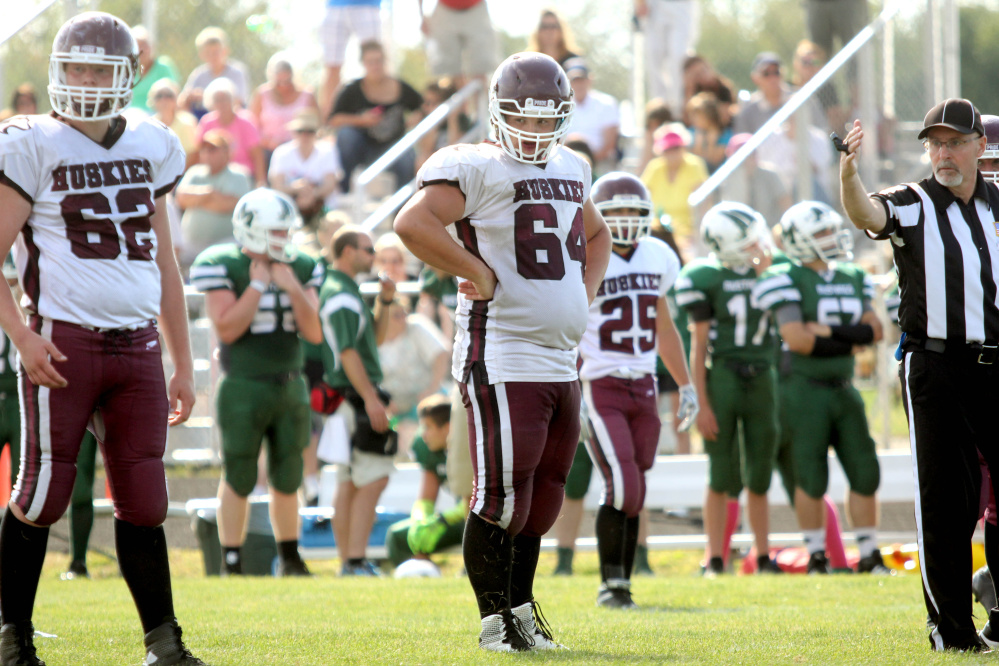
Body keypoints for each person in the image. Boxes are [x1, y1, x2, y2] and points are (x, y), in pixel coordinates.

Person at [0, 11, 204, 665]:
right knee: (41, 496)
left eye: (98, 68)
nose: (85, 80)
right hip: (64, 343)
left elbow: (165, 265)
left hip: (138, 344)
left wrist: (184, 362)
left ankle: (165, 644)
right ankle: (12, 641)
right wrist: (23, 339)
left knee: (145, 500)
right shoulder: (31, 142)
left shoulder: (151, 140)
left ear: (129, 77)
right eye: (76, 67)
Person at [394, 51, 612, 651]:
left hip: (559, 355)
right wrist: (475, 272)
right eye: (527, 117)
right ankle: (495, 624)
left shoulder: (572, 165)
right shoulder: (475, 165)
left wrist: (581, 295)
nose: (538, 130)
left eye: (549, 120)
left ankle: (521, 611)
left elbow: (597, 235)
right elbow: (412, 224)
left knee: (544, 494)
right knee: (501, 494)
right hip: (503, 350)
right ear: (498, 110)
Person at [838, 98, 999, 652]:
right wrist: (849, 174)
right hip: (938, 364)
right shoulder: (914, 202)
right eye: (935, 143)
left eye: (954, 142)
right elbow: (866, 215)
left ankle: (997, 611)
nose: (943, 153)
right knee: (946, 502)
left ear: (981, 147)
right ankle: (950, 630)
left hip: (995, 363)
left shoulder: (998, 204)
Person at [576, 172, 697, 606]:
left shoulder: (658, 254)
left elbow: (663, 324)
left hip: (643, 384)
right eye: (616, 211)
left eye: (633, 210)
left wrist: (685, 384)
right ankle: (611, 585)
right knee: (623, 484)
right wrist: (570, 390)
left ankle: (621, 582)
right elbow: (567, 327)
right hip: (599, 383)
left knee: (637, 482)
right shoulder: (584, 255)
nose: (625, 219)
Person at [190, 188, 322, 577]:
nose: (284, 239)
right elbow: (227, 329)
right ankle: (231, 560)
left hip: (290, 382)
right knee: (240, 472)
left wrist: (291, 286)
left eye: (286, 231)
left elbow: (314, 333)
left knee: (289, 473)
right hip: (243, 384)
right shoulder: (221, 263)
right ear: (251, 230)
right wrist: (259, 285)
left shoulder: (302, 266)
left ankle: (291, 557)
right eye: (276, 231)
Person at [752, 201, 887, 576]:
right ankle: (816, 555)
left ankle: (869, 554)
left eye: (831, 231)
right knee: (810, 474)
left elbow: (874, 331)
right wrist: (849, 337)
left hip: (844, 386)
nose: (832, 238)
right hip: (802, 389)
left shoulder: (850, 274)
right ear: (798, 241)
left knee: (864, 469)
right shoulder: (784, 276)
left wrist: (825, 331)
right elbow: (797, 339)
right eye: (822, 234)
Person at [674, 202, 780, 576]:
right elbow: (698, 344)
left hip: (763, 375)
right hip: (723, 376)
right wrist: (701, 402)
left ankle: (763, 555)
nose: (757, 247)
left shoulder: (773, 272)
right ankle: (715, 558)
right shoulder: (705, 276)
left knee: (760, 470)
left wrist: (767, 277)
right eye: (748, 241)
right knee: (721, 471)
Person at [319, 225, 397, 576]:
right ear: (347, 252)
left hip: (347, 399)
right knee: (373, 478)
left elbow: (373, 342)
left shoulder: (347, 290)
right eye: (367, 250)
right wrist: (370, 399)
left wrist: (385, 301)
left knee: (350, 480)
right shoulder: (340, 293)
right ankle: (353, 560)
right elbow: (348, 353)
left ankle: (349, 561)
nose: (373, 257)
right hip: (353, 398)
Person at [328, 40, 423, 192]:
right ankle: (344, 189)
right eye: (370, 62)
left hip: (392, 147)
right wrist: (361, 120)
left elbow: (423, 105)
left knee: (408, 157)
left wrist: (416, 117)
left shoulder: (400, 87)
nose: (375, 66)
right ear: (363, 63)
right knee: (346, 135)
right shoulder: (352, 90)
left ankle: (402, 210)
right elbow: (333, 119)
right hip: (362, 148)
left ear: (385, 61)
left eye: (378, 61)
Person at [385, 394, 467, 567]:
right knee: (398, 536)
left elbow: (481, 497)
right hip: (457, 520)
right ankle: (422, 574)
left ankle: (474, 571)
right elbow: (426, 499)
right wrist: (421, 521)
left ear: (448, 428)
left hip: (481, 519)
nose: (423, 435)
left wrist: (444, 519)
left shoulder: (468, 444)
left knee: (473, 526)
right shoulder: (428, 449)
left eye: (428, 427)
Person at [174, 129, 253, 268]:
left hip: (224, 245)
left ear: (227, 152)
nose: (207, 153)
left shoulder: (239, 174)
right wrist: (210, 193)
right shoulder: (194, 172)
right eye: (204, 149)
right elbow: (180, 200)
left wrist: (196, 201)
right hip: (191, 245)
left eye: (213, 149)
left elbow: (228, 205)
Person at [640, 126, 708, 258]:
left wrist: (696, 234)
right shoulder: (654, 167)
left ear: (683, 147)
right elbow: (642, 198)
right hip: (657, 233)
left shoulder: (695, 165)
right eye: (668, 149)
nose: (672, 153)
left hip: (688, 235)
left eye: (676, 148)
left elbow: (703, 204)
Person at [268, 108, 342, 223]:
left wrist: (311, 194)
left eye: (310, 131)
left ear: (317, 132)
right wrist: (296, 189)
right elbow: (277, 186)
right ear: (294, 132)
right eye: (301, 131)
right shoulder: (281, 152)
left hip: (323, 208)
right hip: (289, 208)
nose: (305, 135)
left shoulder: (327, 151)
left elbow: (330, 185)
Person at [249, 53, 319, 168]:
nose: (283, 86)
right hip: (268, 149)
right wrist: (268, 142)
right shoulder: (262, 94)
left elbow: (316, 125)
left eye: (287, 81)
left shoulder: (308, 95)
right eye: (279, 82)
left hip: (300, 147)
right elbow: (252, 126)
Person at [319, 0, 383, 119]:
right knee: (332, 65)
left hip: (367, 5)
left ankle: (378, 117)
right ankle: (329, 121)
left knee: (375, 63)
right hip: (335, 6)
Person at [196, 78, 265, 187]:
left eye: (225, 99)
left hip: (243, 175)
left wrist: (261, 181)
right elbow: (201, 151)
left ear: (233, 100)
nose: (222, 103)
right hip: (214, 174)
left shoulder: (246, 121)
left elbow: (257, 155)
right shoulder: (207, 122)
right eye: (218, 100)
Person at [634, 0, 700, 114]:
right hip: (655, 6)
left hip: (681, 5)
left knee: (679, 59)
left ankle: (680, 110)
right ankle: (660, 109)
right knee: (654, 57)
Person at [418, 0, 498, 86]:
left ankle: (480, 97)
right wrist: (422, 16)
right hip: (445, 11)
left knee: (481, 64)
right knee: (450, 67)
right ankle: (464, 98)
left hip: (476, 9)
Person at [180, 26, 251, 120]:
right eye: (208, 53)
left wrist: (206, 97)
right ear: (201, 54)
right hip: (202, 118)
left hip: (230, 118)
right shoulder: (198, 74)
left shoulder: (237, 72)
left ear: (225, 51)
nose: (213, 56)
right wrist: (190, 96)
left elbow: (239, 102)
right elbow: (182, 101)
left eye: (216, 52)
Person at [563, 58, 620, 172]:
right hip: (565, 162)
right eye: (574, 80)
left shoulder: (606, 103)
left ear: (589, 80)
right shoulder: (560, 105)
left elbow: (609, 144)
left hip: (600, 163)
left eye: (581, 80)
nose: (578, 84)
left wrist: (587, 163)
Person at [733, 52, 792, 136]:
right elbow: (742, 142)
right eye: (766, 74)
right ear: (754, 78)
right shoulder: (748, 110)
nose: (773, 78)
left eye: (776, 72)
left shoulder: (800, 100)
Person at [128, 25, 180, 116]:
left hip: (158, 116)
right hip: (130, 115)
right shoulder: (126, 69)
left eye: (145, 45)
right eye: (138, 45)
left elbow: (174, 95)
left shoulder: (164, 67)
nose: (142, 50)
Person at [148, 79, 199, 168]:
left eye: (169, 95)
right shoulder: (148, 124)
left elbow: (192, 155)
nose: (164, 99)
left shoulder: (187, 122)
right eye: (159, 96)